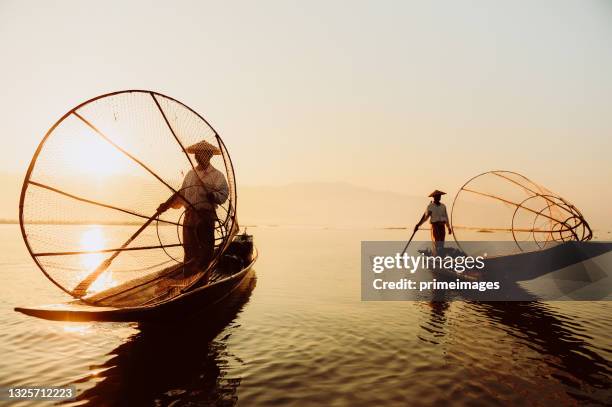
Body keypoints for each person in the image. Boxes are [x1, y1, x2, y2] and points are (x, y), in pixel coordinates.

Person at [157, 140, 229, 278]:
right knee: (189, 250)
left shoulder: (217, 175)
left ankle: (202, 280)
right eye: (196, 154)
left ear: (209, 156)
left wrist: (213, 196)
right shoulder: (190, 174)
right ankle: (188, 279)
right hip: (189, 216)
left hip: (205, 218)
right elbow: (182, 193)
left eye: (201, 154)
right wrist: (166, 205)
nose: (197, 157)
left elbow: (224, 194)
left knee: (205, 251)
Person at [415, 190, 452, 255]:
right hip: (435, 226)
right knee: (437, 242)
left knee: (441, 242)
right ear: (434, 197)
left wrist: (448, 227)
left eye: (439, 196)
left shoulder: (443, 206)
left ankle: (440, 255)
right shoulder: (430, 206)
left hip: (442, 226)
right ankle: (436, 255)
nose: (438, 197)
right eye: (437, 196)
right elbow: (425, 218)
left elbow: (446, 217)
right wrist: (418, 225)